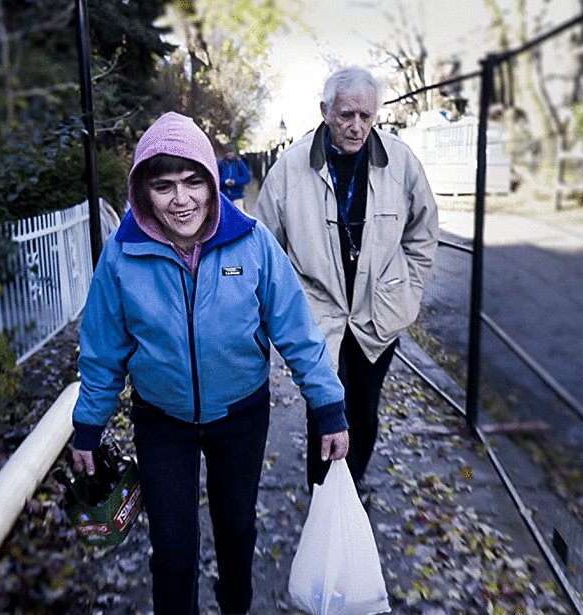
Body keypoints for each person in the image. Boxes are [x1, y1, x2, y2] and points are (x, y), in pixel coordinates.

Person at [70, 111, 349, 615]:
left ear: (211, 180)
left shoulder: (252, 241)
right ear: (142, 191)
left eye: (193, 182)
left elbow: (297, 331)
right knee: (173, 549)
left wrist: (328, 405)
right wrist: (88, 424)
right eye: (164, 186)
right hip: (162, 421)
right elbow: (102, 349)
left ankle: (235, 606)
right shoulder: (122, 255)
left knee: (236, 529)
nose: (181, 201)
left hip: (241, 415)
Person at [255, 66, 439, 493]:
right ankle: (324, 500)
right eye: (345, 115)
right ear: (325, 111)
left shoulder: (401, 161)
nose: (357, 127)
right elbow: (264, 247)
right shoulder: (289, 168)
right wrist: (287, 306)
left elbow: (424, 232)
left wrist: (408, 288)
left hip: (380, 313)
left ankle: (352, 490)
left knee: (364, 410)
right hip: (317, 319)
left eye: (366, 116)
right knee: (324, 410)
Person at [217, 142, 252, 211]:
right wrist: (224, 182)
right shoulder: (220, 164)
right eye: (227, 152)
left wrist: (235, 182)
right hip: (223, 196)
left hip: (237, 196)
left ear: (234, 152)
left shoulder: (240, 164)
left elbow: (247, 178)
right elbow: (215, 178)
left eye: (231, 152)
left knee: (239, 216)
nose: (229, 154)